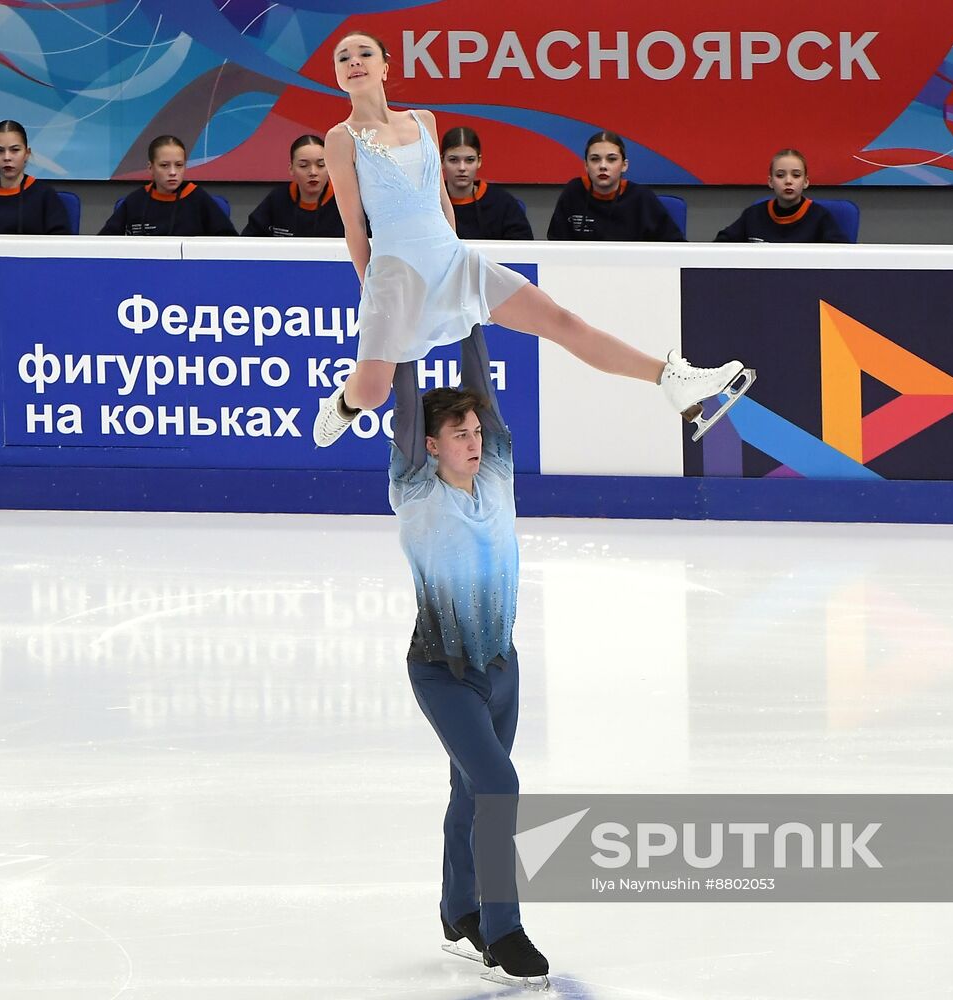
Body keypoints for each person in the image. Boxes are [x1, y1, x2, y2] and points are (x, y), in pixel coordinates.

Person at [315, 32, 749, 448]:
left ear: (386, 67)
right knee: (372, 392)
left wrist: (452, 251)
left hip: (452, 260)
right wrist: (368, 286)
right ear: (337, 74)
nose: (354, 62)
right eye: (343, 57)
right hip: (394, 272)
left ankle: (669, 378)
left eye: (364, 54)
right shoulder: (340, 139)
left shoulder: (423, 121)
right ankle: (340, 403)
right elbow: (354, 224)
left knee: (561, 321)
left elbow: (442, 200)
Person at [391, 324, 548, 989]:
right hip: (442, 671)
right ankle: (503, 927)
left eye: (476, 432)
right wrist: (400, 331)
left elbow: (482, 390)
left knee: (470, 787)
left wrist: (469, 322)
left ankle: (459, 913)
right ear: (431, 447)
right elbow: (404, 405)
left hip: (502, 668)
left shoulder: (499, 472)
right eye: (459, 435)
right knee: (499, 785)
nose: (474, 441)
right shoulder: (416, 488)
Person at [546, 130, 683, 242]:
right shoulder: (574, 192)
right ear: (586, 165)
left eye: (611, 159)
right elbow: (555, 243)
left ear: (624, 165)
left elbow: (675, 246)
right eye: (595, 159)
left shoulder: (641, 197)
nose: (603, 166)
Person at [99, 135, 235, 237]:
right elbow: (104, 243)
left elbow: (229, 243)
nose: (172, 172)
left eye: (179, 165)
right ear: (150, 167)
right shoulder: (135, 201)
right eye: (164, 165)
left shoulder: (198, 198)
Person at [714, 149, 849, 243]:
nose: (788, 181)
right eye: (780, 175)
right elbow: (721, 246)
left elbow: (842, 256)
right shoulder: (753, 215)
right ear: (770, 182)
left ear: (806, 182)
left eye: (796, 175)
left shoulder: (820, 217)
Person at [241, 134, 344, 237]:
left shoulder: (345, 201)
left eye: (321, 165)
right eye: (303, 166)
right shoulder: (278, 198)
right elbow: (249, 239)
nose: (313, 172)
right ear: (291, 169)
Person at [439, 126, 532, 240]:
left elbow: (524, 250)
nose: (462, 167)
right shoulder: (430, 204)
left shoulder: (503, 203)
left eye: (470, 160)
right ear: (442, 161)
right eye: (453, 160)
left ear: (479, 161)